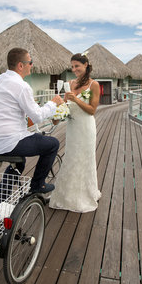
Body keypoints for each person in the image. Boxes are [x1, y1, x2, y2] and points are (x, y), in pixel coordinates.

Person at [0, 48, 64, 204]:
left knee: (19, 164)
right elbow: (37, 117)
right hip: (10, 140)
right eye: (30, 62)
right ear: (21, 65)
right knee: (52, 144)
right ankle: (37, 185)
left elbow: (10, 104)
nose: (32, 65)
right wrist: (53, 103)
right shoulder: (22, 86)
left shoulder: (0, 79)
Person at [49, 53, 101, 212]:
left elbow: (92, 110)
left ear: (86, 65)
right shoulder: (69, 83)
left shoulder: (94, 85)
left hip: (86, 128)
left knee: (85, 159)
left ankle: (85, 195)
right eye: (72, 66)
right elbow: (65, 107)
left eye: (77, 66)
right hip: (72, 128)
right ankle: (66, 196)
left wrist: (76, 99)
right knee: (71, 158)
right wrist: (58, 109)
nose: (74, 69)